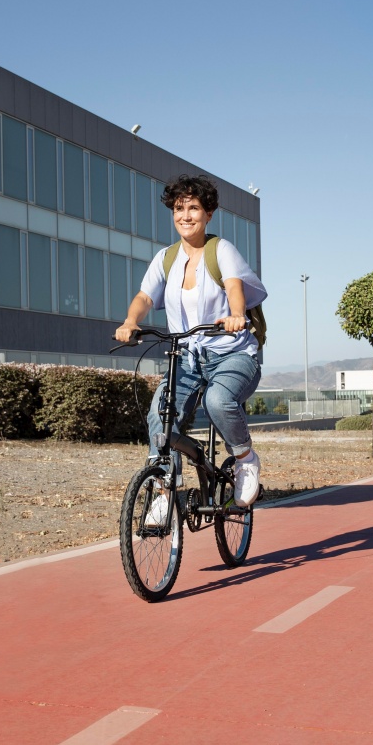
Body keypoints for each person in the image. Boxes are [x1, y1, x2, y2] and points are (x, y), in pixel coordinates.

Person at [115, 174, 266, 520]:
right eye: (179, 208)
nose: (186, 215)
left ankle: (245, 460)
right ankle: (163, 490)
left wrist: (237, 315)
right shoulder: (166, 258)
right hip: (185, 357)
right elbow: (143, 296)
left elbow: (233, 286)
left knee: (218, 400)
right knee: (160, 416)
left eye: (194, 208)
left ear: (208, 213)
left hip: (232, 353)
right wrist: (130, 322)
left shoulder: (221, 250)